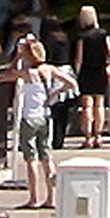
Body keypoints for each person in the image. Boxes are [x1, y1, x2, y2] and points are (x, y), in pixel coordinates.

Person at [6, 40, 78, 209]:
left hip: (29, 117)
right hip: (45, 116)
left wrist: (17, 58)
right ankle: (51, 197)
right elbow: (72, 84)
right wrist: (54, 94)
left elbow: (7, 75)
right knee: (46, 156)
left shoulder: (28, 73)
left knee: (31, 158)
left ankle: (33, 197)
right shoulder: (49, 70)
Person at [74, 5, 110, 149]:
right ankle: (98, 135)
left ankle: (88, 137)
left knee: (87, 106)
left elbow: (79, 58)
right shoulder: (103, 34)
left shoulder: (82, 37)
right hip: (100, 71)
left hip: (86, 72)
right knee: (100, 104)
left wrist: (76, 74)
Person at [41, 15, 78, 149]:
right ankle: (60, 138)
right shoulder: (65, 38)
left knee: (53, 107)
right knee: (64, 110)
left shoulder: (48, 40)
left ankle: (52, 138)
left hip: (54, 72)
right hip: (66, 70)